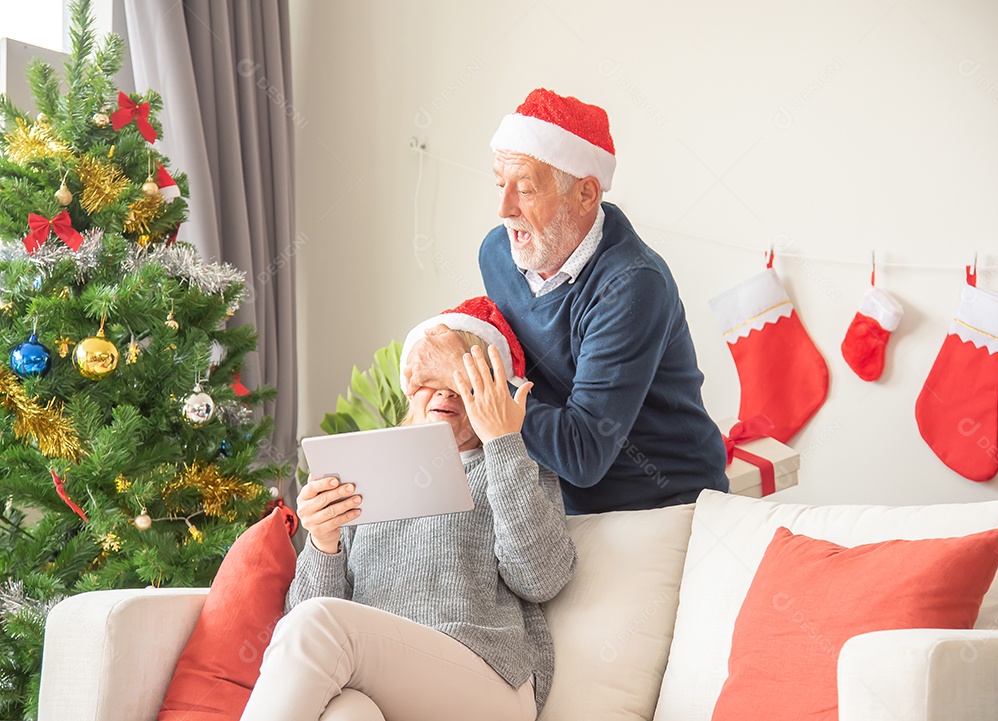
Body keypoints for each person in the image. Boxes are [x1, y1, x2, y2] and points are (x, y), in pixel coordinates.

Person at [241, 298, 576, 721]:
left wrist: (502, 443)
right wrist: (324, 544)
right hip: (379, 682)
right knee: (346, 714)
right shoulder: (366, 472)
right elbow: (303, 628)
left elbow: (541, 579)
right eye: (431, 380)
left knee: (322, 625)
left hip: (488, 681)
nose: (444, 393)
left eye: (463, 383)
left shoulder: (513, 468)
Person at [404, 88, 728, 515]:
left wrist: (460, 371)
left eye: (525, 190)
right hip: (558, 501)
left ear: (586, 195)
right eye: (501, 185)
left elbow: (583, 452)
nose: (504, 208)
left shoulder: (631, 286)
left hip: (659, 504)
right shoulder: (498, 254)